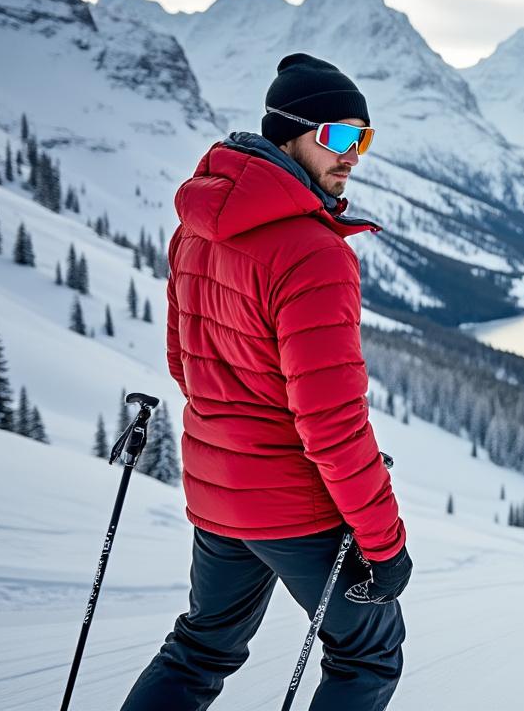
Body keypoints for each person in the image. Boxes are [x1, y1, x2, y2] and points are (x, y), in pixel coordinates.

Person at [121, 53, 412, 711]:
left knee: (201, 647)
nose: (354, 155)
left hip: (218, 497)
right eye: (338, 136)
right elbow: (331, 423)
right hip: (293, 505)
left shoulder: (194, 231)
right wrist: (384, 543)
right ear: (289, 134)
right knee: (368, 651)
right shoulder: (314, 253)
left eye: (363, 137)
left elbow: (184, 364)